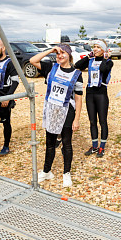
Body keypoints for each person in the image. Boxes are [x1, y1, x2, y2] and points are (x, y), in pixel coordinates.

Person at [30, 44, 83, 188]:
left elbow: (78, 98)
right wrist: (51, 50)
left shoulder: (76, 74)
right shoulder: (51, 67)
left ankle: (67, 173)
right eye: (58, 53)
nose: (60, 56)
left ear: (69, 55)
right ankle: (47, 171)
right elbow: (33, 61)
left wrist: (77, 118)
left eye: (63, 53)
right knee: (50, 143)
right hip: (52, 109)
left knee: (66, 143)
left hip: (67, 110)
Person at [74, 39, 113, 157]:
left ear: (104, 50)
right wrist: (88, 56)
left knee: (102, 121)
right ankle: (95, 145)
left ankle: (102, 147)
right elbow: (77, 66)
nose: (95, 49)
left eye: (98, 47)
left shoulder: (109, 62)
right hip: (90, 93)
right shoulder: (91, 60)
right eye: (94, 47)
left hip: (101, 93)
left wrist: (105, 58)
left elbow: (103, 70)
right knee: (92, 121)